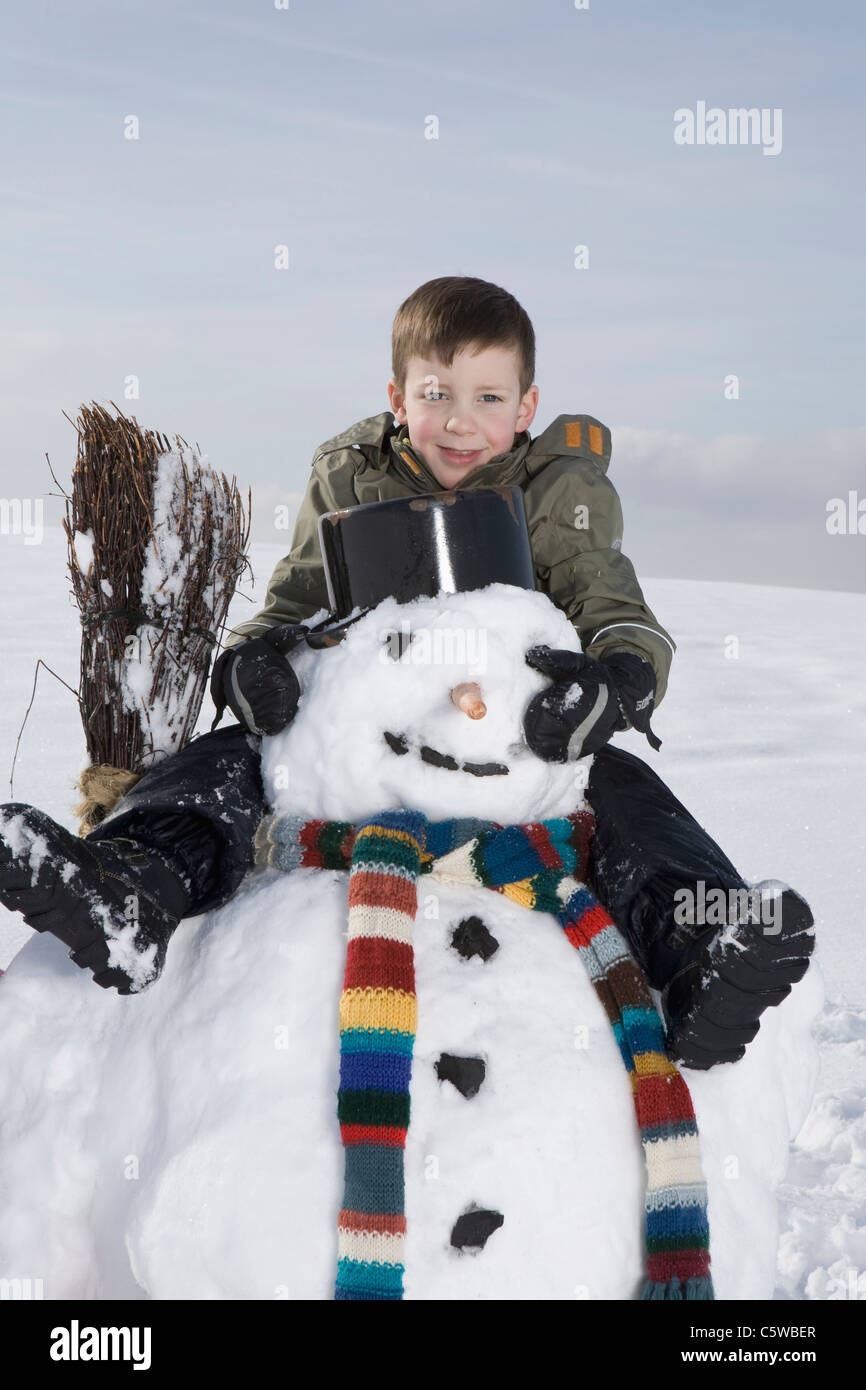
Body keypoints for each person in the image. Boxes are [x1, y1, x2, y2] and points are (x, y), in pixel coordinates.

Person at [0, 277, 813, 1068]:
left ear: (526, 408)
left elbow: (615, 608)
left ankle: (699, 945)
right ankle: (134, 891)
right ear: (398, 396)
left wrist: (617, 680)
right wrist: (255, 664)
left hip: (511, 745)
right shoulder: (349, 474)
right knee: (223, 765)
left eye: (490, 399)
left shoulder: (556, 490)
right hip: (357, 744)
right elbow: (293, 601)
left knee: (626, 788)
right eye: (437, 395)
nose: (461, 423)